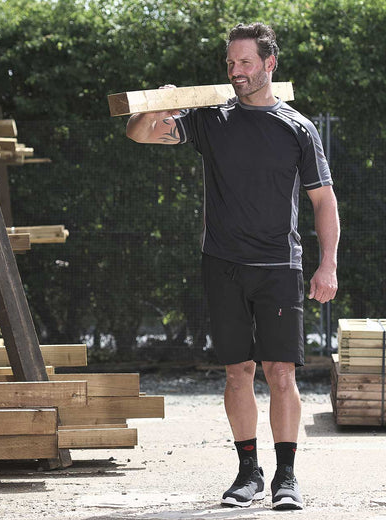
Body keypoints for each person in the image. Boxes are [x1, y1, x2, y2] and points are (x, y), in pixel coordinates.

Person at [126, 22, 339, 511]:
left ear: (270, 64)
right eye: (230, 63)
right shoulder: (210, 120)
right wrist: (159, 103)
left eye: (245, 62)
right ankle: (248, 474)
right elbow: (140, 134)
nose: (236, 71)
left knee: (280, 372)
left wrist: (327, 265)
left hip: (279, 266)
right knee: (238, 373)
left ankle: (287, 476)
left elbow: (324, 201)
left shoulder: (298, 129)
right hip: (222, 264)